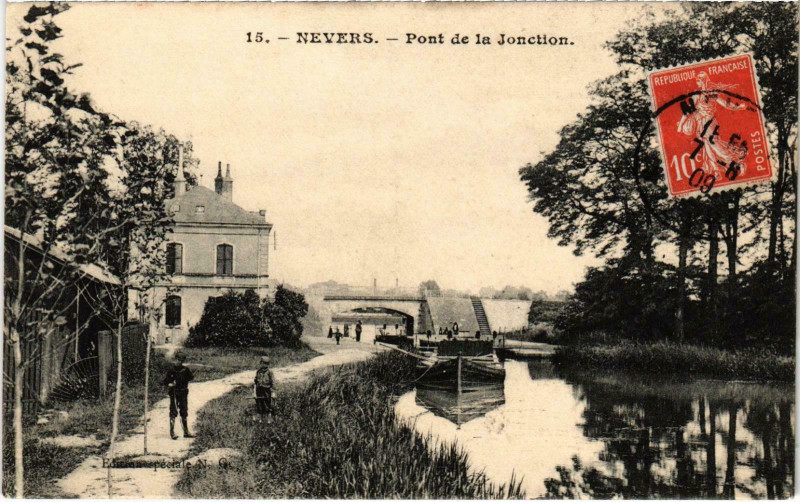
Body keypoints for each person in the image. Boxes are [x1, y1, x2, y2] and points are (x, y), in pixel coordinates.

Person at [163, 351, 194, 440]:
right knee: (173, 410)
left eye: (180, 360)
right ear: (174, 360)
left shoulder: (185, 370)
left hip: (183, 392)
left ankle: (186, 431)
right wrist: (170, 384)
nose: (178, 362)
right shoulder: (171, 371)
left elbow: (191, 377)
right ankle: (172, 432)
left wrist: (184, 380)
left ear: (183, 361)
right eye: (177, 360)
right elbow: (165, 382)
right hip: (174, 392)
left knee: (184, 410)